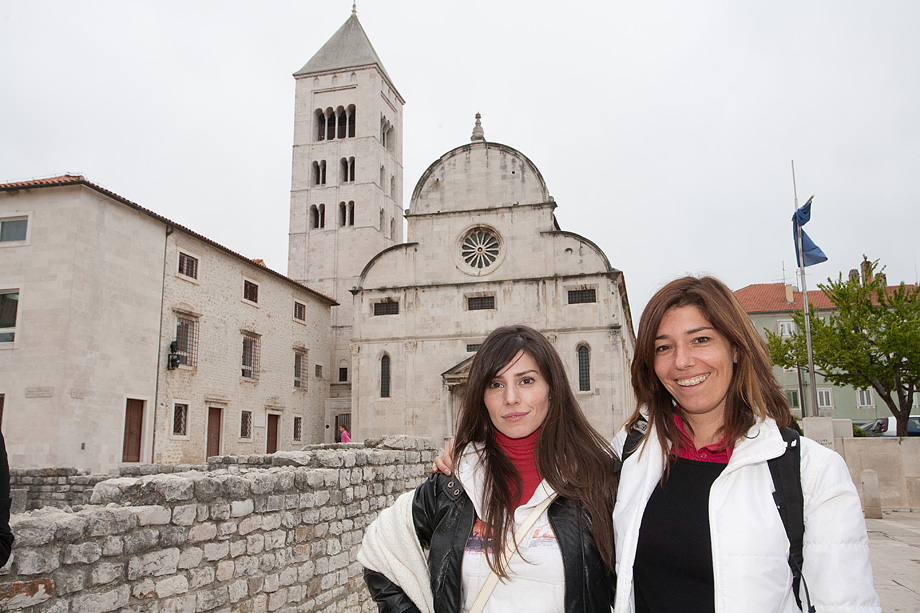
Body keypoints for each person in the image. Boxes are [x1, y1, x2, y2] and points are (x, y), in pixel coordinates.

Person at [612, 276, 879, 612]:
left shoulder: (811, 471)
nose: (682, 361)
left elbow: (845, 604)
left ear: (736, 348)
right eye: (663, 347)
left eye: (701, 340)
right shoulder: (630, 451)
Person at [359, 325, 619, 612]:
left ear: (552, 389)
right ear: (482, 397)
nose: (511, 398)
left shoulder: (600, 478)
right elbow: (379, 548)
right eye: (496, 384)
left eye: (527, 381)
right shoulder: (455, 481)